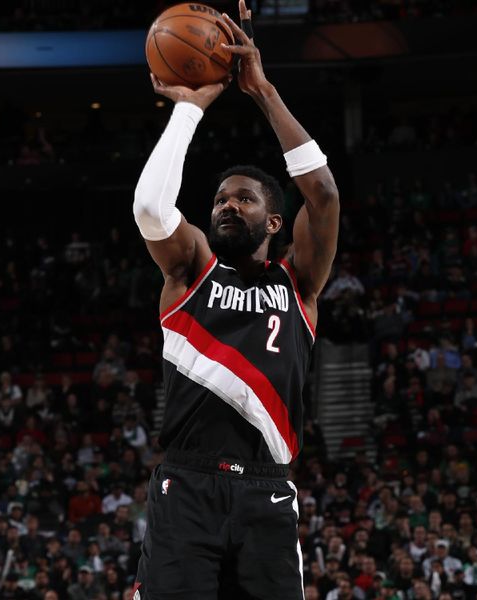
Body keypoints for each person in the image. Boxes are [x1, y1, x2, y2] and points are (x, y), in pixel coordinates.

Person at [131, 1, 339, 597]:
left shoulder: (298, 282)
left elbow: (322, 195)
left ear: (274, 221)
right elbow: (150, 209)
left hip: (266, 489)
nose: (226, 204)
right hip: (185, 487)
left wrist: (263, 91)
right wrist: (189, 110)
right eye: (221, 198)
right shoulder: (191, 267)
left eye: (243, 199)